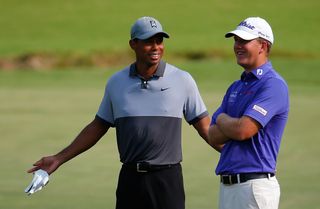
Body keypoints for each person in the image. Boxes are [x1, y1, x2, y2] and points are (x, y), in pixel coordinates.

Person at [28, 16, 210, 209]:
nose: (156, 47)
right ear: (133, 44)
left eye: (159, 41)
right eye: (148, 41)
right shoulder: (117, 82)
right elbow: (98, 126)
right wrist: (59, 158)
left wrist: (237, 155)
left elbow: (206, 129)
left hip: (167, 179)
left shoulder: (182, 80)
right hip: (130, 181)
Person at [208, 17, 289, 209]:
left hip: (254, 188)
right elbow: (213, 135)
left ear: (262, 45)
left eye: (244, 41)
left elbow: (243, 130)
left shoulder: (273, 84)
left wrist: (220, 117)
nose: (237, 46)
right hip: (228, 188)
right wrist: (231, 124)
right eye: (236, 41)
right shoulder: (235, 87)